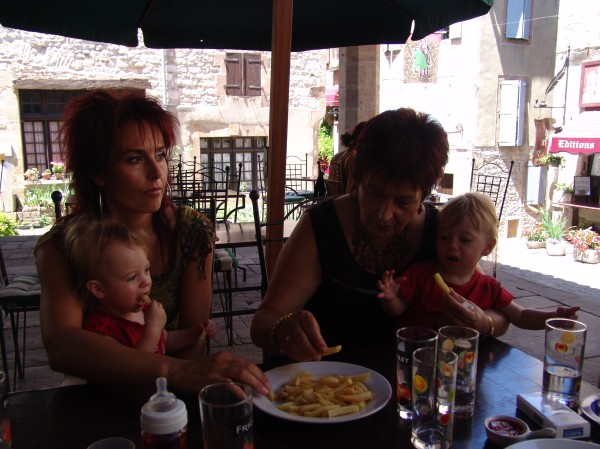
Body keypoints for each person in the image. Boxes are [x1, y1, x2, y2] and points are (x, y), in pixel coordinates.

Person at [35, 89, 270, 395]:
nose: (156, 172)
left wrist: (172, 387)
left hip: (172, 396)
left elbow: (195, 335)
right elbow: (62, 346)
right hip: (97, 395)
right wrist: (173, 372)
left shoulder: (191, 231)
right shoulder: (62, 246)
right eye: (134, 158)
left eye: (160, 155)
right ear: (97, 172)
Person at [250, 108, 510, 361]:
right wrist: (283, 331)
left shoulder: (441, 232)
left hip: (411, 378)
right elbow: (263, 322)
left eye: (403, 202)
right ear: (358, 177)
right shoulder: (322, 225)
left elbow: (499, 313)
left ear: (424, 194)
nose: (384, 214)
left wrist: (483, 322)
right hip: (327, 378)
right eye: (374, 193)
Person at [377, 192, 580, 330]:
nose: (452, 245)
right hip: (418, 357)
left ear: (487, 247)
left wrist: (553, 318)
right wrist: (390, 298)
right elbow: (398, 310)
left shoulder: (488, 287)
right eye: (444, 237)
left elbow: (520, 316)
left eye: (465, 240)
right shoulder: (420, 274)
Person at [64, 216, 218, 355]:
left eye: (146, 270)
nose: (146, 281)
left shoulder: (143, 311)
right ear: (98, 289)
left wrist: (194, 333)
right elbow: (130, 369)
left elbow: (166, 341)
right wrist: (153, 330)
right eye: (132, 277)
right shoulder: (102, 332)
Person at [326, 121, 366, 196]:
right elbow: (351, 191)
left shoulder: (337, 156)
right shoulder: (352, 159)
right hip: (345, 200)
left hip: (332, 199)